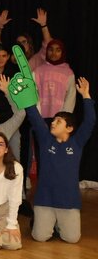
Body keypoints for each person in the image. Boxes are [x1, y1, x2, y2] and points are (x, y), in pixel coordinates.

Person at [28, 78, 94, 243]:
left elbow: (90, 122)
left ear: (69, 128)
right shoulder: (45, 140)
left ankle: (57, 225)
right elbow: (35, 117)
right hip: (45, 199)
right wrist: (26, 96)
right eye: (53, 120)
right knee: (40, 237)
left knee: (72, 239)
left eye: (58, 121)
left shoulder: (77, 142)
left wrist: (86, 96)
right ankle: (42, 221)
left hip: (68, 201)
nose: (53, 123)